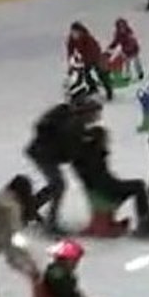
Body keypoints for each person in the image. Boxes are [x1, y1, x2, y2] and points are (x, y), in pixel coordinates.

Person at [72, 126, 149, 238]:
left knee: (137, 185)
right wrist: (118, 186)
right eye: (106, 139)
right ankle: (145, 224)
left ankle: (146, 222)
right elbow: (102, 180)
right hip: (105, 191)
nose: (107, 141)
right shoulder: (94, 157)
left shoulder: (90, 155)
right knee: (138, 186)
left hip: (101, 189)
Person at [26, 98, 101, 234]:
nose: (97, 118)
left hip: (42, 152)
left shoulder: (73, 120)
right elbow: (72, 152)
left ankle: (30, 209)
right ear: (87, 113)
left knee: (55, 185)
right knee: (58, 185)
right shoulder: (74, 125)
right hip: (44, 155)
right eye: (95, 114)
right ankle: (50, 223)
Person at [68, 22, 113, 102]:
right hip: (85, 59)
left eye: (76, 33)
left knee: (101, 74)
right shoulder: (71, 40)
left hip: (95, 56)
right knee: (85, 74)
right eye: (73, 33)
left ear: (80, 32)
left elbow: (92, 51)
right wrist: (72, 62)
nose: (74, 35)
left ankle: (109, 90)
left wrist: (85, 61)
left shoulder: (87, 38)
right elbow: (70, 50)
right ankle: (93, 87)